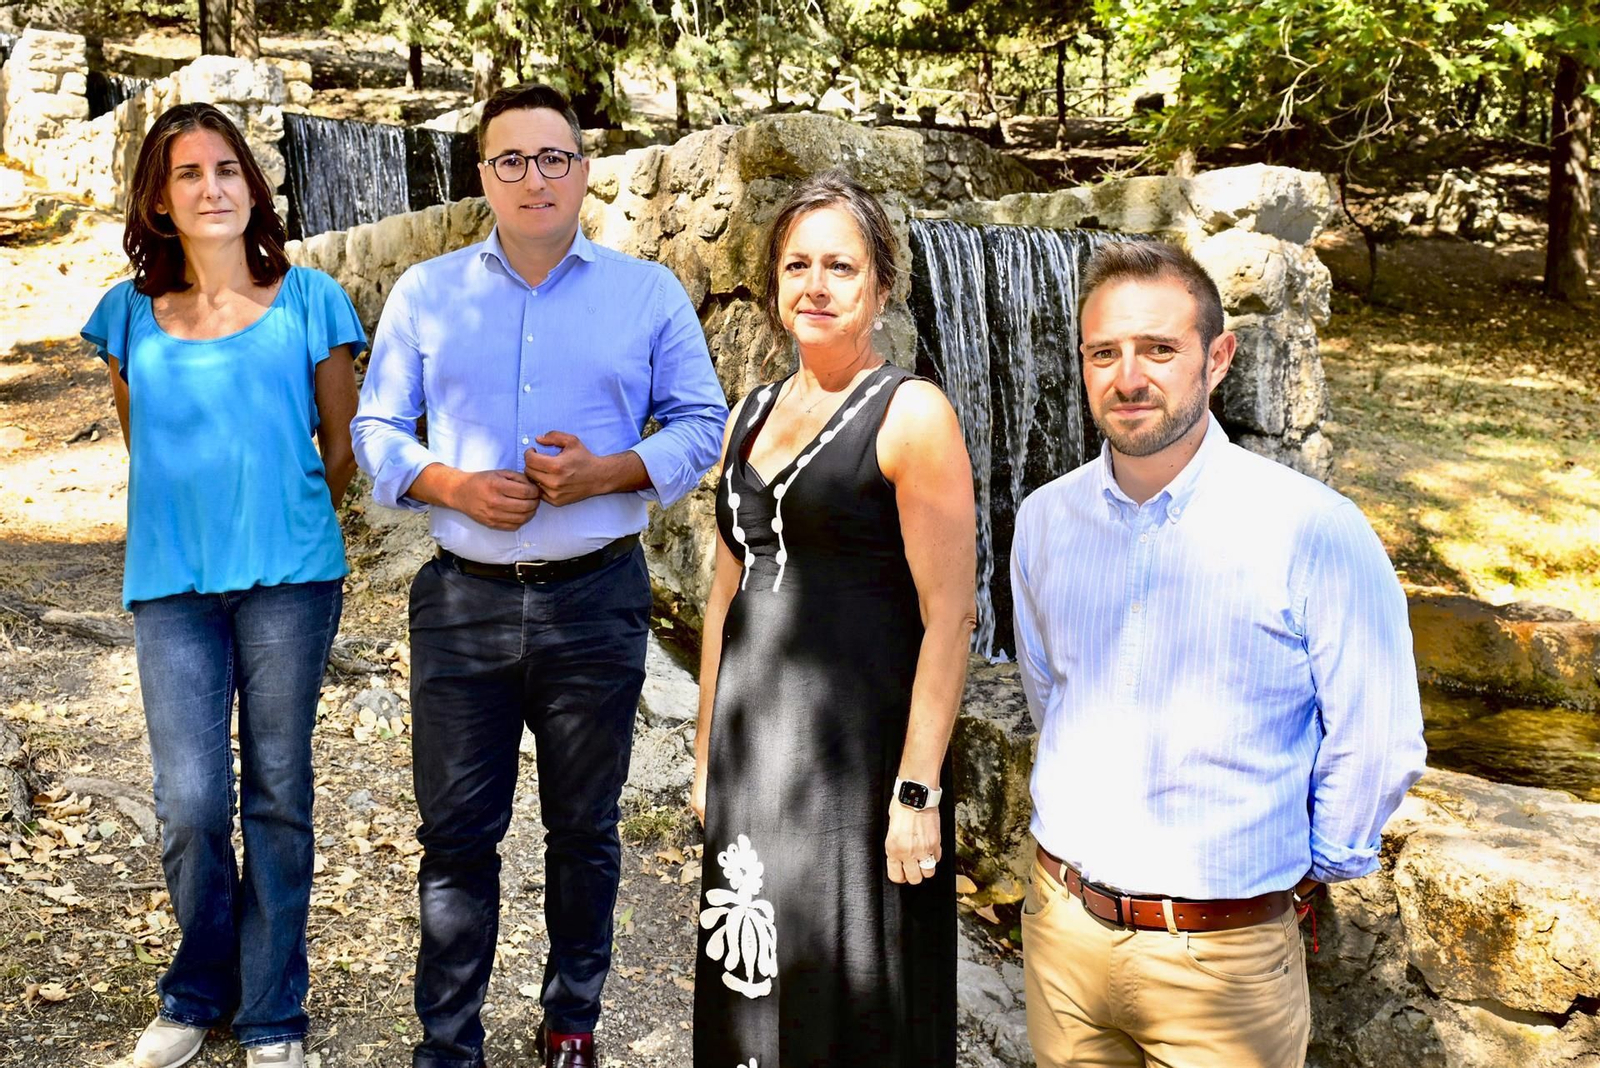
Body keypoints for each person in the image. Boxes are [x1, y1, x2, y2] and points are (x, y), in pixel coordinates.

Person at [350, 83, 727, 1068]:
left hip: (596, 596)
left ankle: (571, 1022)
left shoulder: (644, 293)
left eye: (553, 157)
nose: (534, 177)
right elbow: (375, 430)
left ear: (582, 168)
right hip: (462, 602)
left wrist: (609, 471)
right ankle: (449, 1041)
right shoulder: (427, 294)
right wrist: (452, 486)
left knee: (584, 829)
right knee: (457, 838)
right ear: (482, 175)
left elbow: (701, 422)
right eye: (510, 160)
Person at [1010, 240, 1427, 1068]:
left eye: (1159, 349)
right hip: (1062, 936)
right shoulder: (1046, 520)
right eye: (1105, 352)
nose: (1129, 377)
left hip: (1223, 965)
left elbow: (1376, 740)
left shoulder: (1313, 529)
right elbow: (1048, 693)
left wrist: (1290, 884)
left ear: (1219, 357)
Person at [80, 102, 366, 1068]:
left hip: (290, 580)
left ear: (254, 185)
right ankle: (195, 991)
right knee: (191, 801)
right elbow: (146, 441)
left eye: (227, 170)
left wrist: (269, 512)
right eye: (188, 173)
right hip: (172, 586)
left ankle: (274, 1011)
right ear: (159, 199)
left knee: (277, 793)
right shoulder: (127, 316)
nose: (212, 188)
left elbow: (337, 450)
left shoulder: (312, 299)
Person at [690, 169, 977, 1067]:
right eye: (796, 266)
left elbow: (952, 616)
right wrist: (705, 757)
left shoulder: (912, 414)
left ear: (880, 287)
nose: (815, 286)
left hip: (858, 766)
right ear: (775, 286)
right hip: (755, 758)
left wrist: (918, 790)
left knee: (853, 989)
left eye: (840, 268)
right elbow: (722, 597)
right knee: (757, 977)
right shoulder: (750, 413)